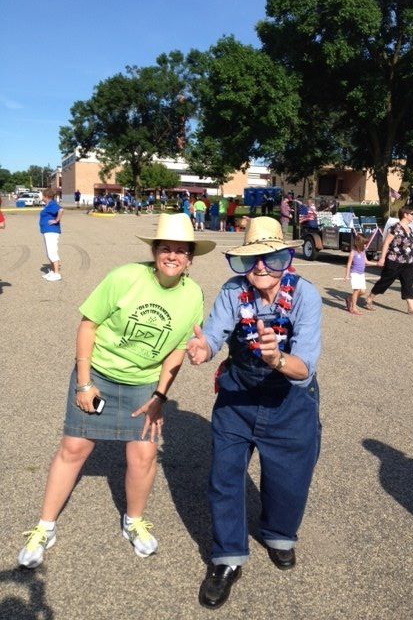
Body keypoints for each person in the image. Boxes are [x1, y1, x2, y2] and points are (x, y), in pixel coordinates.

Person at [17, 213, 216, 569]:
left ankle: (133, 521)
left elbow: (176, 351)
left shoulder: (193, 296)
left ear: (190, 259)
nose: (172, 256)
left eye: (180, 251)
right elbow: (88, 324)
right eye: (165, 248)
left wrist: (159, 397)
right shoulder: (125, 277)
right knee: (74, 447)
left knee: (143, 454)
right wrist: (84, 382)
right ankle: (44, 527)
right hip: (99, 374)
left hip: (143, 383)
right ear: (154, 251)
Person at [187, 216, 322, 610]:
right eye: (253, 260)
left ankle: (279, 534)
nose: (262, 267)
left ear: (287, 258)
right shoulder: (233, 291)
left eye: (273, 257)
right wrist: (204, 349)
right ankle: (227, 558)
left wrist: (278, 357)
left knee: (290, 477)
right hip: (238, 396)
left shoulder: (305, 295)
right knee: (224, 476)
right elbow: (214, 332)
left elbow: (305, 366)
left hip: (290, 399)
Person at [365, 206, 413, 316]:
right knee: (385, 281)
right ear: (405, 215)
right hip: (394, 260)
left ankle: (411, 308)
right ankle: (369, 298)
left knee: (408, 284)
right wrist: (382, 258)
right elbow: (387, 243)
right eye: (412, 213)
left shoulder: (409, 229)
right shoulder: (395, 227)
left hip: (408, 262)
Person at [343, 234, 376, 315]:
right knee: (356, 290)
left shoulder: (363, 251)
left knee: (363, 292)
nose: (365, 245)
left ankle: (349, 299)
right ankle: (354, 308)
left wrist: (377, 264)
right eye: (364, 243)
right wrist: (347, 275)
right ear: (359, 243)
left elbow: (366, 262)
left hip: (361, 274)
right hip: (355, 273)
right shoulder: (353, 252)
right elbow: (349, 264)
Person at [40, 189, 63, 282]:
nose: (42, 198)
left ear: (46, 196)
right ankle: (53, 272)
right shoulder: (49, 205)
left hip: (52, 232)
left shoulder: (53, 204)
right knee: (49, 252)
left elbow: (61, 210)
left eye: (43, 196)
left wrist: (56, 220)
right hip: (47, 231)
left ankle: (57, 273)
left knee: (52, 252)